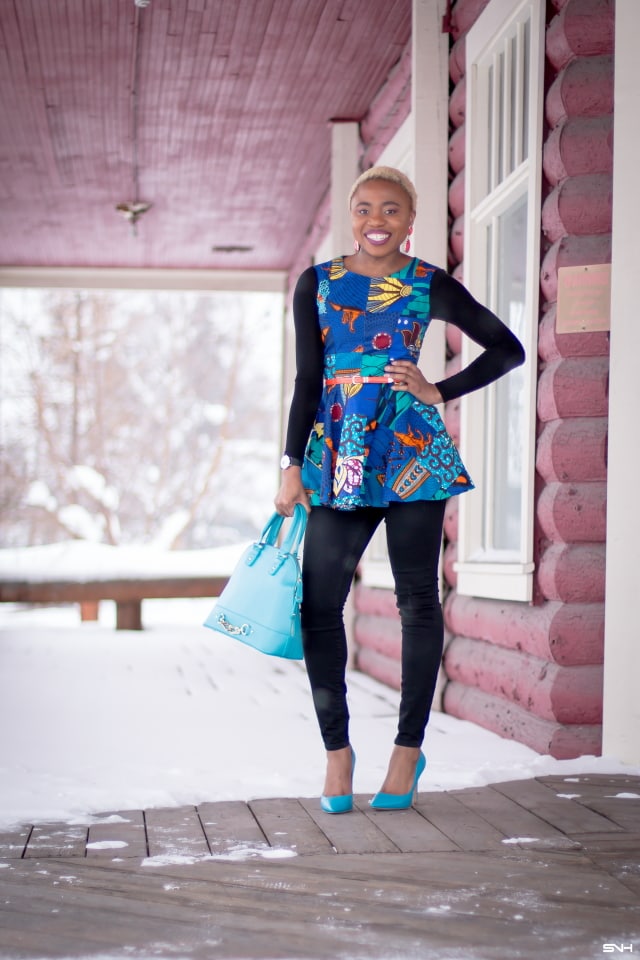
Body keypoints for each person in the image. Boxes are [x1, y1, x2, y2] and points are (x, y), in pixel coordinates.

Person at [275, 166, 525, 813]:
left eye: (391, 208)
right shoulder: (319, 284)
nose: (376, 218)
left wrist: (440, 390)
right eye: (364, 208)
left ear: (410, 221)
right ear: (351, 217)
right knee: (318, 604)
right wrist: (288, 463)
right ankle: (337, 754)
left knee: (418, 600)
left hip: (412, 451)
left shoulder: (423, 284)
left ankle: (408, 751)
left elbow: (506, 348)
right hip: (339, 457)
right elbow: (308, 379)